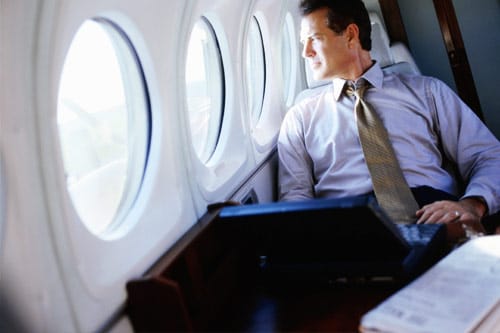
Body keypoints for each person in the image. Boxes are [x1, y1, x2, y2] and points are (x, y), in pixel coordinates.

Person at [277, 0, 500, 242]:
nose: (305, 52)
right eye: (303, 43)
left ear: (351, 35)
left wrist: (471, 205)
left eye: (314, 38)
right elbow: (295, 200)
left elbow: (488, 156)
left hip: (435, 218)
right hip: (349, 230)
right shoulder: (299, 119)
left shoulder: (428, 92)